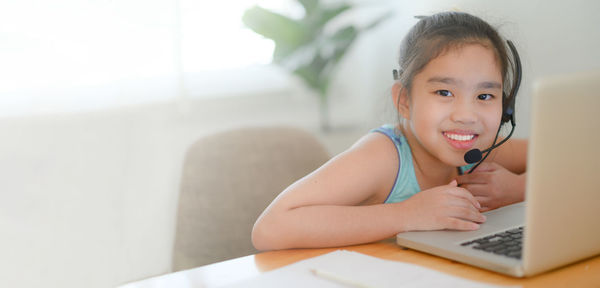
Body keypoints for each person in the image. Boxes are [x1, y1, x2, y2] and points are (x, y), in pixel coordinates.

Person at [252, 11, 528, 251]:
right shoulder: (383, 157)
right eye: (444, 92)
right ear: (404, 101)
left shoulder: (480, 151)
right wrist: (407, 214)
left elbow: (564, 154)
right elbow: (270, 227)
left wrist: (518, 188)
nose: (467, 116)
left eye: (484, 96)